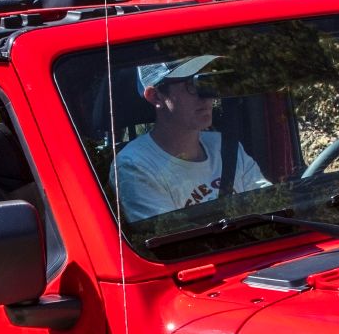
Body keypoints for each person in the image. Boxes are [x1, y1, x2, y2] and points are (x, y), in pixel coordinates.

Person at [113, 54, 267, 221]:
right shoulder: (135, 166)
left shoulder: (225, 146)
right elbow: (172, 241)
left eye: (207, 81)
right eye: (192, 84)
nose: (207, 95)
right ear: (156, 96)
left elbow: (269, 205)